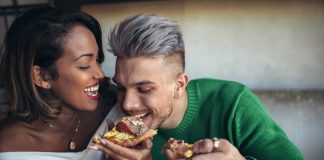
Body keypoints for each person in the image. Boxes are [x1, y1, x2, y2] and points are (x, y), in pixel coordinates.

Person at [90, 14, 304, 160]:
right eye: (121, 87)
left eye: (144, 89)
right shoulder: (116, 124)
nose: (127, 103)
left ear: (179, 85)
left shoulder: (233, 103)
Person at [0, 6, 116, 159]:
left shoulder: (115, 107)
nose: (100, 74)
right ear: (41, 76)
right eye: (84, 65)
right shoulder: (8, 148)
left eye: (97, 60)